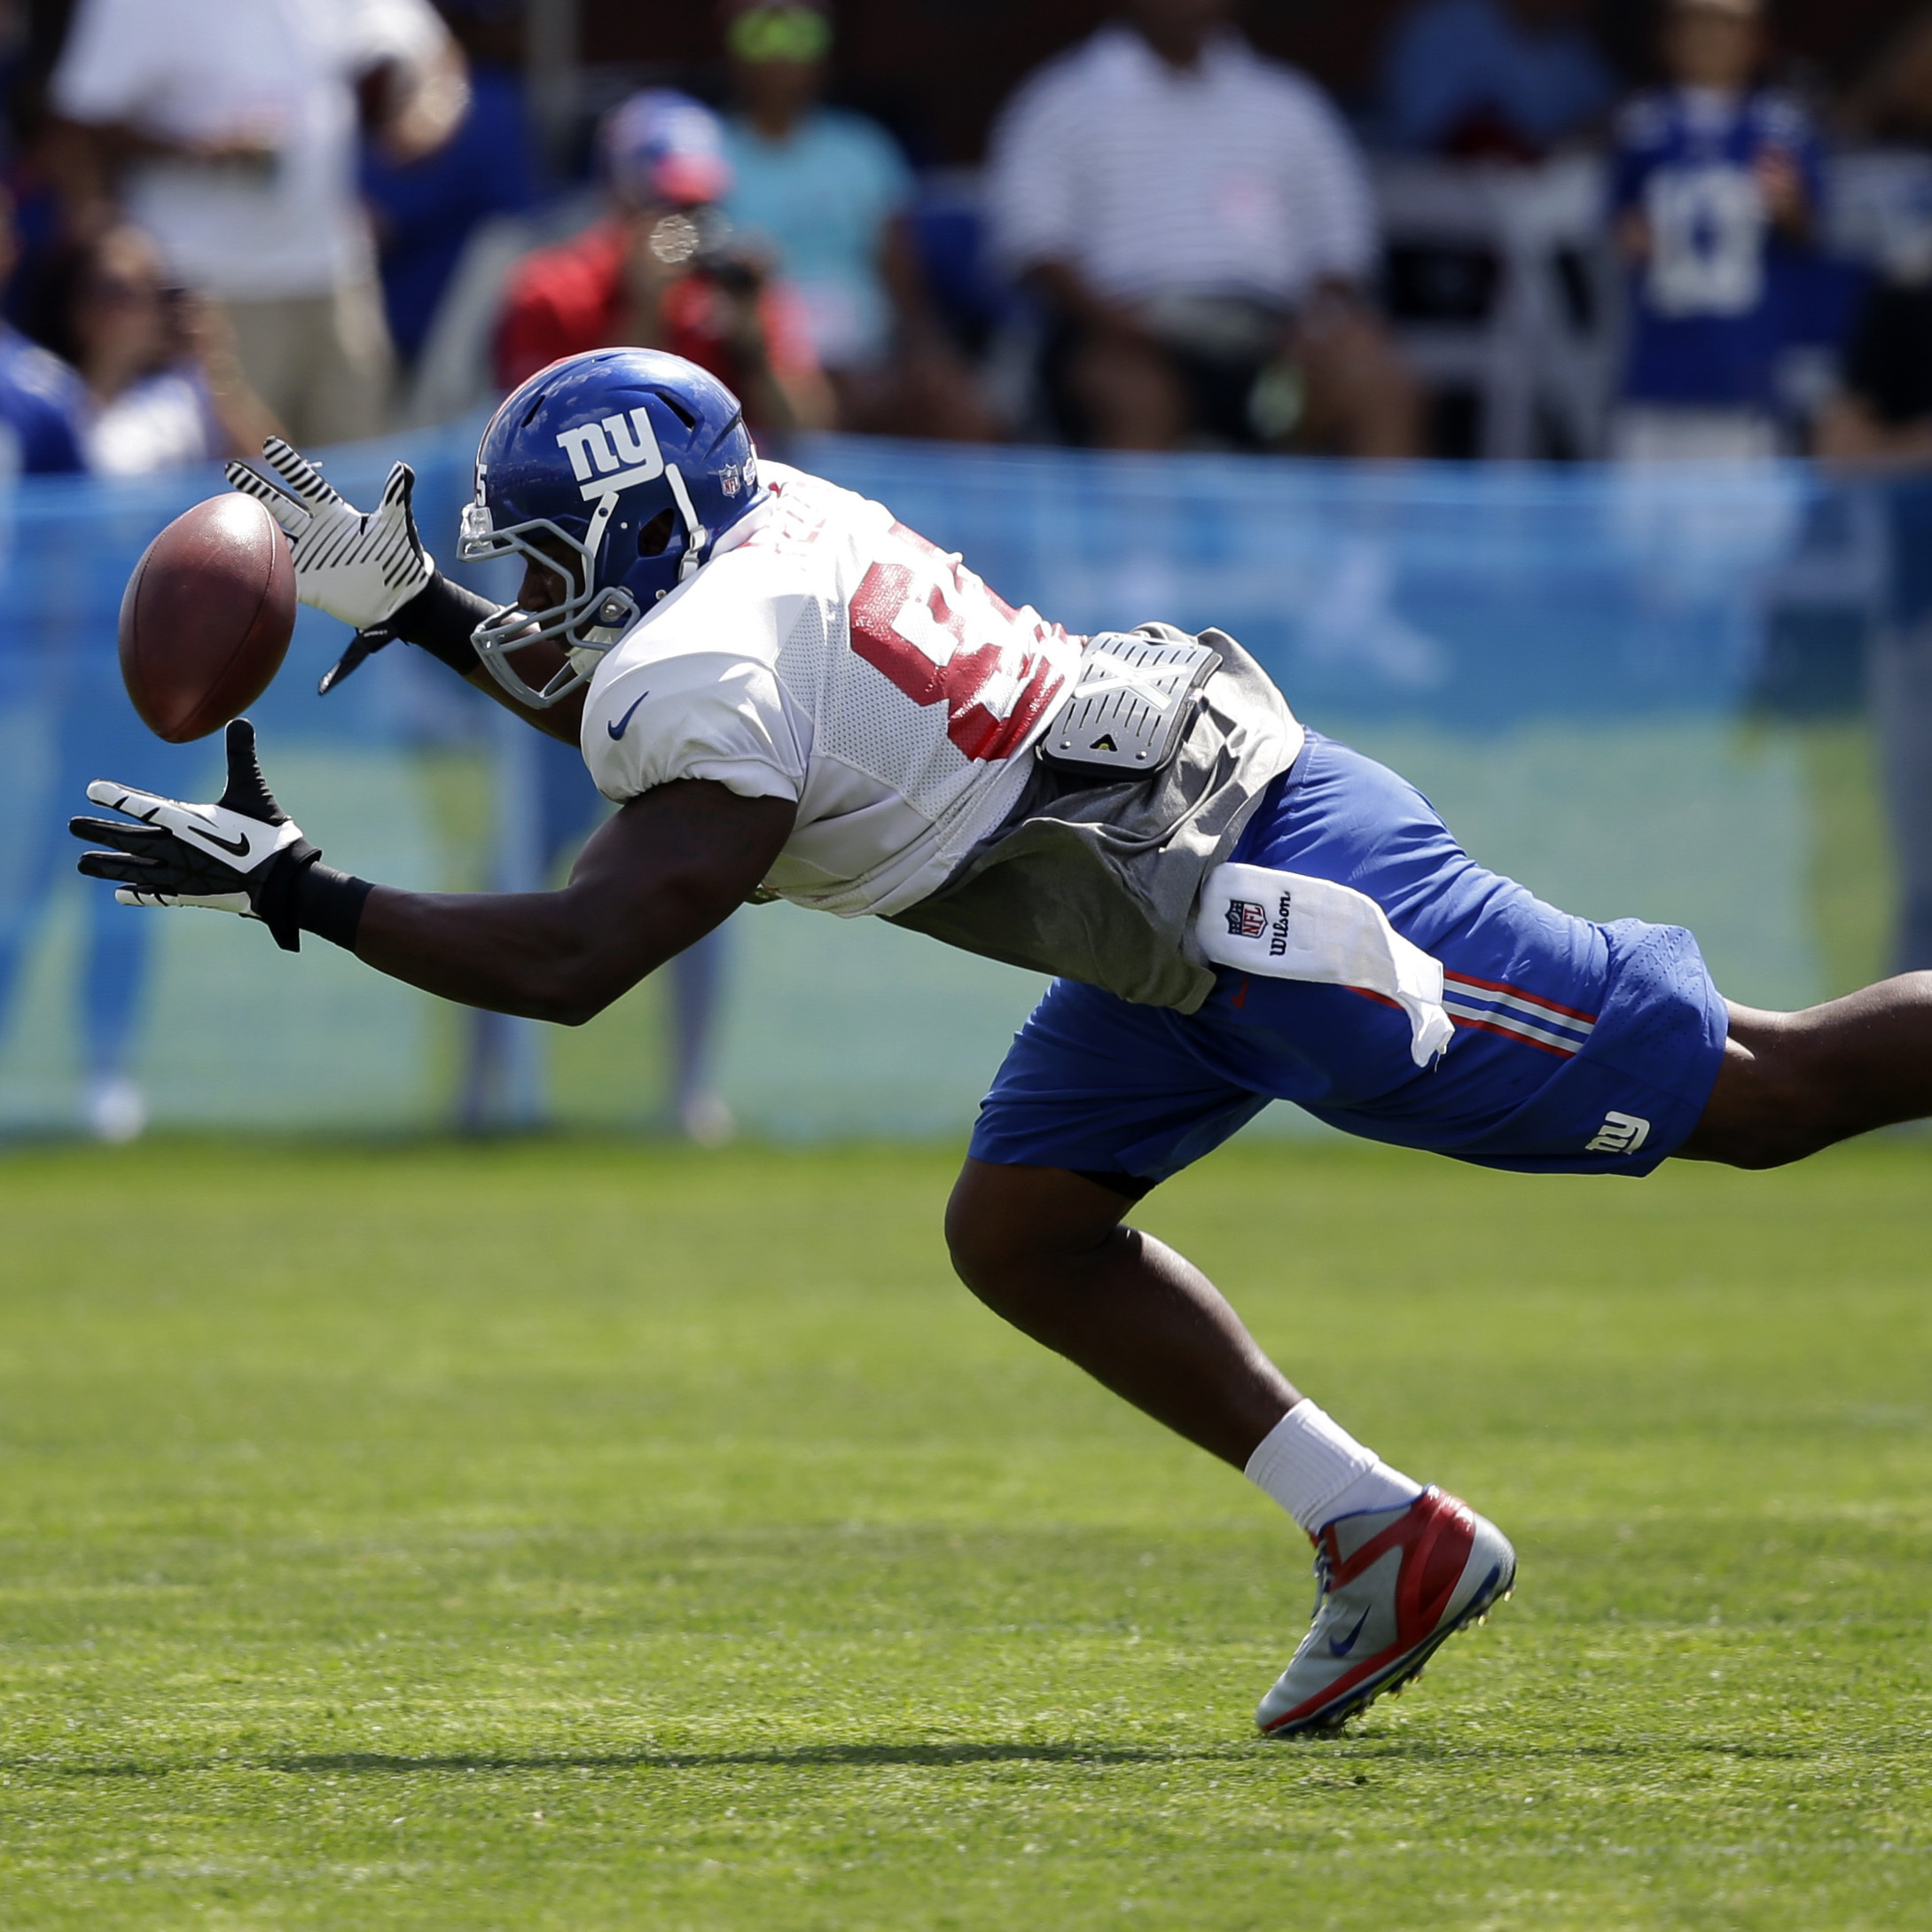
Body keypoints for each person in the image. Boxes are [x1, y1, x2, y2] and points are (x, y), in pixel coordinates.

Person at [78, 345, 1932, 1737]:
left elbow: (586, 950)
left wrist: (305, 891)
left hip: (1282, 906)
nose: (541, 594)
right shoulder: (766, 520)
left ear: (641, 528)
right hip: (1165, 894)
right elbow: (644, 697)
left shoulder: (696, 666)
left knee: (1768, 1099)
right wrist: (420, 613)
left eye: (553, 554)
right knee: (1024, 1221)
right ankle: (1384, 1537)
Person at [984, 0, 1420, 457]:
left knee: (1375, 379)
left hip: (1270, 346)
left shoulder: (1289, 103)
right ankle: (1136, 530)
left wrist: (1314, 325)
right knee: (1132, 393)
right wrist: (1114, 322)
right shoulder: (1060, 99)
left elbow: (1342, 243)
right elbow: (1033, 241)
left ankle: (1374, 531)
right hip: (1119, 333)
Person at [45, 0, 467, 446]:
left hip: (337, 280)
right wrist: (201, 150)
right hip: (203, 293)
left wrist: (421, 115)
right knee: (241, 500)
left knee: (361, 490)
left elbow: (432, 51)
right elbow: (80, 118)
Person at [717, 0, 996, 441]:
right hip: (758, 358)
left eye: (802, 38)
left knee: (960, 411)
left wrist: (923, 354)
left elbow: (900, 275)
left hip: (867, 357)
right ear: (734, 51)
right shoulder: (707, 154)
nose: (782, 56)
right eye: (762, 36)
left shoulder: (865, 149)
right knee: (811, 409)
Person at [495, 88, 832, 434]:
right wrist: (645, 309)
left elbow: (805, 428)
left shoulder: (736, 283)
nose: (687, 226)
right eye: (668, 205)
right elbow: (543, 434)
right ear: (621, 197)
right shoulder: (552, 292)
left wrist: (752, 346)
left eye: (699, 207)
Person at [1607, 0, 1821, 463]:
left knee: (1741, 517)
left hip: (1745, 358)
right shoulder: (1644, 124)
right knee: (1646, 517)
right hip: (1661, 356)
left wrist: (1789, 207)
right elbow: (1618, 219)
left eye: (1726, 26)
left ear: (1756, 39)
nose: (1711, 40)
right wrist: (1633, 235)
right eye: (1696, 24)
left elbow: (1811, 229)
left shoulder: (1780, 126)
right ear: (1667, 36)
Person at [360, 0, 536, 373]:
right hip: (453, 339)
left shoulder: (482, 103)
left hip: (437, 343)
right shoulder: (492, 96)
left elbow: (371, 226)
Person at [30, 223, 279, 473]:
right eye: (116, 290)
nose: (143, 308)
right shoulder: (40, 385)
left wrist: (216, 366)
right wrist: (111, 365)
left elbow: (271, 474)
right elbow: (76, 470)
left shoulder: (188, 381)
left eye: (159, 290)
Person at [1379, 0, 1616, 161]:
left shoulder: (1571, 41)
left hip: (1538, 206)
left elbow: (1608, 117)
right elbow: (1424, 135)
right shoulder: (1443, 25)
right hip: (1434, 212)